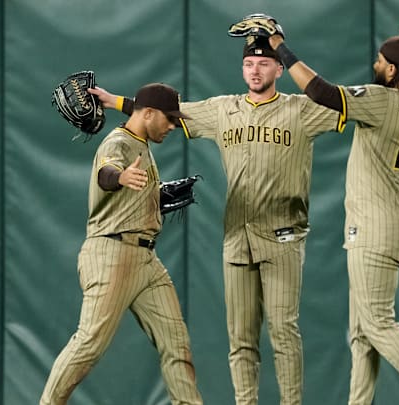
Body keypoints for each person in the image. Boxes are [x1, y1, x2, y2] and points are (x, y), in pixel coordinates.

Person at [90, 37, 346, 405]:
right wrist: (115, 101)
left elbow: (341, 104)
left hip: (284, 236)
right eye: (248, 64)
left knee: (284, 333)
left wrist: (288, 51)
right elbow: (167, 114)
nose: (255, 70)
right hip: (238, 237)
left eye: (264, 63)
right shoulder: (224, 109)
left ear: (278, 69)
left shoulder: (303, 108)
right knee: (241, 340)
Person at [265, 18, 399, 405]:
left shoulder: (381, 99)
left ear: (392, 70)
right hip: (394, 225)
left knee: (378, 323)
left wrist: (279, 48)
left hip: (373, 229)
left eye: (380, 60)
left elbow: (321, 91)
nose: (375, 64)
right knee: (361, 334)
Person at [40, 83, 203, 405]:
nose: (173, 125)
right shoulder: (119, 142)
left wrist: (155, 197)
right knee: (89, 344)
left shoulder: (141, 138)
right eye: (169, 119)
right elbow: (106, 172)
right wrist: (121, 178)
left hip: (146, 261)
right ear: (150, 114)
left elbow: (142, 112)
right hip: (112, 254)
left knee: (176, 343)